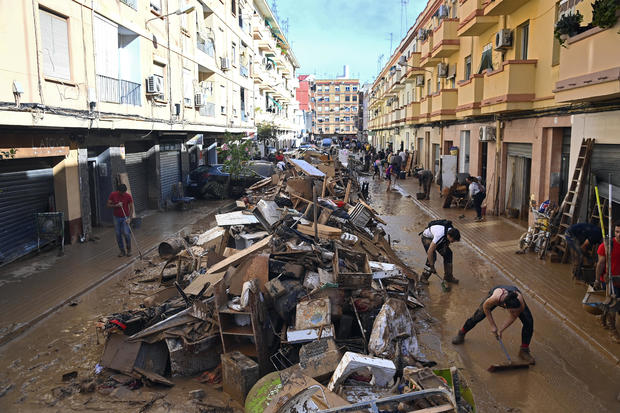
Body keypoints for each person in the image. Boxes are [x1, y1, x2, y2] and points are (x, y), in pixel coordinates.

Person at [451, 285, 535, 364]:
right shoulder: (495, 299)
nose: (514, 313)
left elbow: (513, 316)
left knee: (529, 321)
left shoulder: (520, 303)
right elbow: (486, 308)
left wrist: (501, 330)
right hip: (498, 292)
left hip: (512, 294)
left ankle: (524, 350)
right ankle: (461, 333)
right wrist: (493, 326)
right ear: (505, 306)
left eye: (516, 311)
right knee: (477, 316)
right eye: (512, 311)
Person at [594, 220, 620, 343]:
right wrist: (597, 280)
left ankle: (603, 318)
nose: (619, 234)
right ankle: (612, 329)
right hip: (609, 280)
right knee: (612, 304)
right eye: (617, 232)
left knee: (611, 303)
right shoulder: (606, 246)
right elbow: (600, 264)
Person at [419, 220, 461, 284]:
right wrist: (432, 267)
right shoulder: (440, 235)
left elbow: (447, 242)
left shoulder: (451, 230)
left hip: (439, 238)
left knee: (448, 253)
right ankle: (424, 277)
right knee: (433, 256)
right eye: (453, 240)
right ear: (449, 236)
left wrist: (445, 249)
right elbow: (430, 251)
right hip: (427, 237)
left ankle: (448, 277)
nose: (453, 242)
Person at [107, 184, 134, 257]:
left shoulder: (128, 196)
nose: (123, 194)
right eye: (122, 192)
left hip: (125, 217)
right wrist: (116, 205)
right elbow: (108, 205)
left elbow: (131, 208)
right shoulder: (113, 194)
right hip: (116, 217)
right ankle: (122, 251)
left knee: (126, 233)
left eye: (124, 192)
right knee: (118, 234)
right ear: (118, 191)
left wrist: (130, 218)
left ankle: (129, 249)